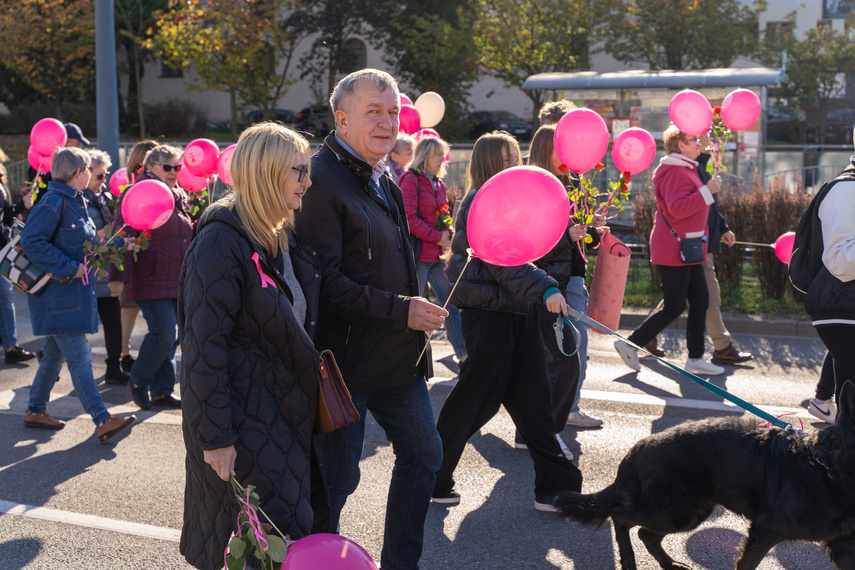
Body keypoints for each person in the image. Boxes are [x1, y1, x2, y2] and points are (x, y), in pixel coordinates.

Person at [294, 68, 447, 570]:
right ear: (341, 118)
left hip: (396, 358)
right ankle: (312, 563)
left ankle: (401, 564)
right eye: (373, 112)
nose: (387, 123)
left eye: (393, 112)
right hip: (344, 364)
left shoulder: (381, 172)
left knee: (424, 454)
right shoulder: (320, 179)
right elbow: (325, 284)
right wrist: (403, 309)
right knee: (336, 483)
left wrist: (408, 310)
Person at [178, 123, 325, 570]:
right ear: (268, 172)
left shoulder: (275, 235)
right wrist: (217, 438)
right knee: (258, 548)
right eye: (300, 171)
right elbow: (203, 351)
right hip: (243, 427)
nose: (308, 182)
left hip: (277, 419)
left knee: (270, 546)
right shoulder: (221, 241)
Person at [433, 130, 584, 512]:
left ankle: (557, 488)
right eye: (505, 159)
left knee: (534, 401)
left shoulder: (509, 201)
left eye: (516, 156)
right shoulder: (479, 203)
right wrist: (547, 287)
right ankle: (430, 474)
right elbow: (504, 261)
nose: (515, 165)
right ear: (487, 163)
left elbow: (520, 256)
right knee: (473, 405)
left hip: (516, 313)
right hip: (489, 318)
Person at [20, 147, 136, 442]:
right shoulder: (54, 202)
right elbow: (31, 241)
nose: (91, 174)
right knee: (81, 358)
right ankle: (102, 418)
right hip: (58, 298)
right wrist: (69, 267)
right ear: (77, 173)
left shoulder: (75, 201)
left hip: (68, 298)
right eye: (88, 169)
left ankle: (35, 410)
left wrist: (119, 245)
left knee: (53, 357)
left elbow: (86, 247)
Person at [613, 125, 725, 376]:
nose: (699, 143)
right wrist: (709, 191)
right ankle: (630, 343)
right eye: (694, 139)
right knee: (674, 306)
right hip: (675, 248)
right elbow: (677, 208)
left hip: (688, 247)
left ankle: (695, 358)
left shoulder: (685, 168)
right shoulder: (676, 171)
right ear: (680, 144)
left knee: (700, 301)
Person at [645, 132, 753, 364]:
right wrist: (709, 195)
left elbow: (708, 206)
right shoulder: (683, 169)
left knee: (684, 298)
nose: (706, 140)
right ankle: (719, 347)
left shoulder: (695, 166)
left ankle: (646, 338)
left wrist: (722, 228)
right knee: (705, 297)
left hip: (700, 242)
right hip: (690, 243)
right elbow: (683, 206)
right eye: (699, 137)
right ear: (683, 145)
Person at [527, 124, 604, 430]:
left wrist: (593, 230)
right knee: (561, 348)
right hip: (546, 280)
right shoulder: (535, 183)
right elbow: (532, 239)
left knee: (575, 347)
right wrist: (566, 236)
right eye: (560, 150)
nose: (567, 157)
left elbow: (582, 239)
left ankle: (569, 407)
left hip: (573, 276)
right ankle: (546, 416)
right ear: (545, 150)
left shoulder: (575, 182)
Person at [110, 144, 193, 410]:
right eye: (167, 167)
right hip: (150, 276)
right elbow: (119, 235)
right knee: (164, 333)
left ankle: (162, 390)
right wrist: (117, 276)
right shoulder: (140, 192)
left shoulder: (178, 195)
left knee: (173, 336)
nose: (173, 172)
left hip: (174, 278)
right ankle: (139, 380)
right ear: (150, 168)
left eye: (176, 167)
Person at [399, 136, 467, 362]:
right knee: (415, 311)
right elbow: (408, 218)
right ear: (426, 155)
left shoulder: (438, 183)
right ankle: (410, 358)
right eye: (439, 154)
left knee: (450, 307)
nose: (443, 159)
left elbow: (441, 214)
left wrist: (448, 230)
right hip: (418, 257)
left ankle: (464, 356)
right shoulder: (410, 180)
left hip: (437, 257)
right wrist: (437, 236)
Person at [801, 155, 855, 418]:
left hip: (846, 305)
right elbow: (839, 261)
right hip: (840, 305)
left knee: (849, 413)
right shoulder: (846, 189)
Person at [84, 150, 129, 384]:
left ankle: (114, 367)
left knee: (113, 322)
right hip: (85, 274)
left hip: (105, 270)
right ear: (85, 173)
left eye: (106, 175)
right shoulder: (77, 200)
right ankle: (49, 356)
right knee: (78, 327)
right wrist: (96, 235)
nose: (104, 181)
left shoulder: (105, 197)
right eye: (99, 176)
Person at [118, 140, 158, 373]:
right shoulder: (134, 186)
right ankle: (124, 353)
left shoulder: (160, 182)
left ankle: (125, 353)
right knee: (129, 306)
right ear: (142, 160)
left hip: (152, 249)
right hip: (135, 248)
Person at [0, 147, 36, 364]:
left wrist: (20, 207)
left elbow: (5, 214)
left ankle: (11, 346)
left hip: (2, 247)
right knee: (4, 298)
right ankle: (10, 346)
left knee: (5, 297)